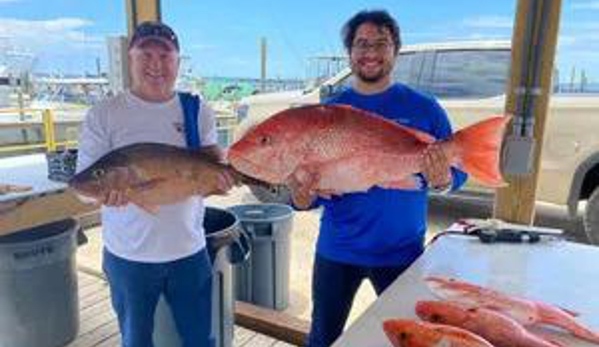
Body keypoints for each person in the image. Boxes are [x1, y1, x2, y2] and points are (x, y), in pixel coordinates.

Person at [288, 10, 468, 347]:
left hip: (402, 253)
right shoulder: (329, 111)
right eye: (361, 44)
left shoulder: (425, 109)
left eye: (381, 43)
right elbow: (308, 190)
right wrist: (300, 197)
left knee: (410, 339)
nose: (370, 52)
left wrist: (442, 178)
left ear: (396, 50)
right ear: (350, 53)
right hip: (338, 250)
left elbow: (460, 172)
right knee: (323, 337)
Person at [76, 21, 237, 347]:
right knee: (135, 341)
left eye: (165, 55)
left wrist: (221, 182)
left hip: (189, 253)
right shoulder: (104, 114)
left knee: (201, 340)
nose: (155, 64)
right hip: (128, 258)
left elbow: (208, 175)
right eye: (145, 54)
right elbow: (83, 189)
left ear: (178, 62)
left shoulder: (196, 109)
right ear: (130, 58)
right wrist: (106, 196)